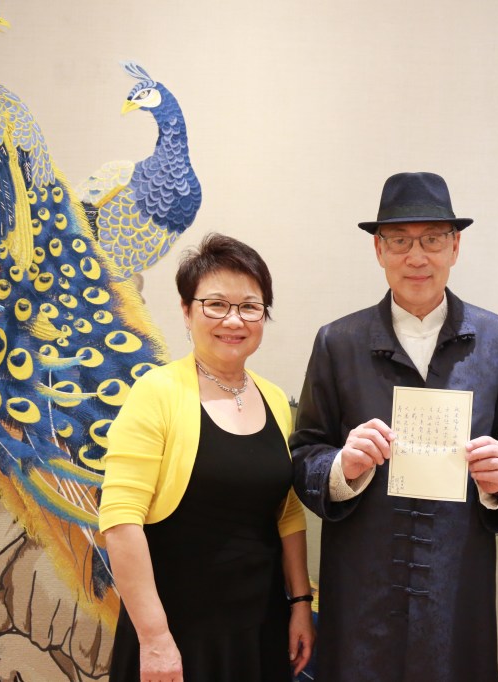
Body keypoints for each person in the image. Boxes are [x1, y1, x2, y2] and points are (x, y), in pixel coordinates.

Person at [290, 171, 498, 682]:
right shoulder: (338, 341)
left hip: (455, 583)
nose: (416, 257)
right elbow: (305, 451)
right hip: (363, 583)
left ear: (455, 247)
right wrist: (341, 468)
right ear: (378, 249)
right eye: (399, 240)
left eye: (432, 240)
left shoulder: (494, 339)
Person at [99, 233, 314, 681]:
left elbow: (288, 512)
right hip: (177, 632)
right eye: (215, 304)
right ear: (186, 310)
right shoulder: (156, 392)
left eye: (250, 306)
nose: (233, 320)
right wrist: (155, 639)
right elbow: (120, 522)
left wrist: (299, 604)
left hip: (261, 625)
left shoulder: (275, 399)